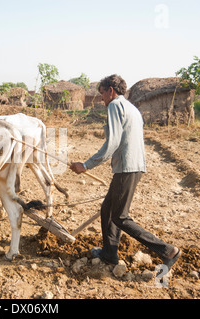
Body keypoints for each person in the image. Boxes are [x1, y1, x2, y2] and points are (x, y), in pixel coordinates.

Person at [70, 74, 181, 270]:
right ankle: (109, 253)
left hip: (126, 169)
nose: (101, 98)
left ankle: (167, 250)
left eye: (102, 93)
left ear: (111, 91)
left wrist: (86, 165)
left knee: (120, 217)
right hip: (133, 166)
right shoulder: (131, 108)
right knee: (108, 210)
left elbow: (112, 143)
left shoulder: (115, 106)